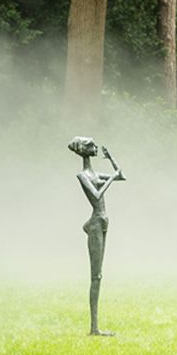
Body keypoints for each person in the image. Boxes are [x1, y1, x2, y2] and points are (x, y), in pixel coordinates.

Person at [68, 137, 125, 336]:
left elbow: (121, 176)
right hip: (95, 224)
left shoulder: (94, 173)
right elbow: (96, 195)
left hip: (103, 221)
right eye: (91, 146)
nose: (95, 148)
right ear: (84, 150)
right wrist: (110, 178)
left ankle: (96, 328)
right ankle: (94, 328)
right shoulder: (83, 175)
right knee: (95, 276)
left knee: (99, 276)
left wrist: (111, 159)